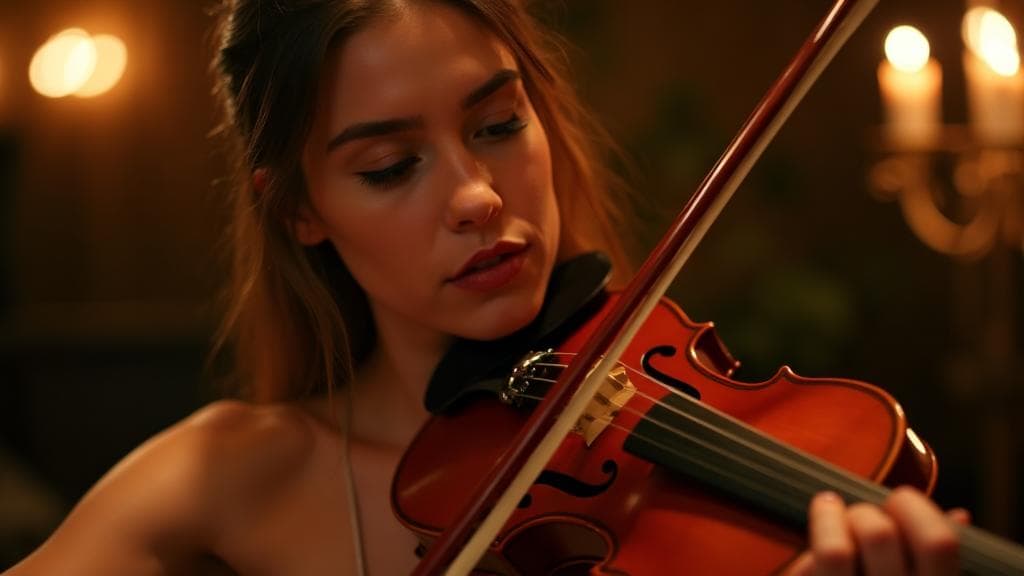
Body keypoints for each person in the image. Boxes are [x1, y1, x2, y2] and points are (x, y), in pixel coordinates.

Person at [5, 1, 966, 574]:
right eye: (389, 166)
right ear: (298, 208)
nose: (475, 194)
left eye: (499, 124)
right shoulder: (238, 470)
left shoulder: (666, 414)